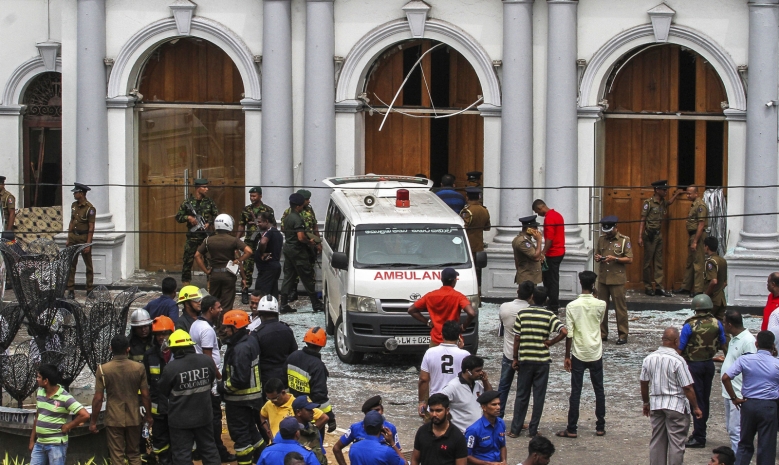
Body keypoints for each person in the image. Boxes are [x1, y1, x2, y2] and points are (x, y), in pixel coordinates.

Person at [510, 286, 567, 438]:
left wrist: (515, 357)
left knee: (522, 395)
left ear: (531, 297)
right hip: (542, 360)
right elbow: (564, 331)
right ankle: (533, 430)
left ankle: (515, 429)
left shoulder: (522, 313)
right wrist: (551, 342)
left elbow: (517, 337)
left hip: (526, 359)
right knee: (539, 396)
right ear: (546, 300)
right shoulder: (549, 315)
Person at [640, 327, 702, 465]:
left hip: (656, 404)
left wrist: (646, 403)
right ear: (676, 341)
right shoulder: (678, 361)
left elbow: (644, 383)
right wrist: (696, 407)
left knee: (657, 441)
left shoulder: (649, 359)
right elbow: (687, 387)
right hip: (676, 406)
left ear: (663, 340)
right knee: (676, 443)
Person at [89, 334, 153, 465]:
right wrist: (149, 416)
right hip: (134, 416)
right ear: (128, 349)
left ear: (110, 349)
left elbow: (98, 398)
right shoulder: (139, 368)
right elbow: (146, 395)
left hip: (113, 417)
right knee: (134, 454)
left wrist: (93, 421)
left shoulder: (102, 369)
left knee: (116, 456)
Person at [158, 329, 220, 465]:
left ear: (174, 349)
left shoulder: (171, 368)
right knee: (209, 450)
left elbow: (163, 390)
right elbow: (211, 382)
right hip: (204, 416)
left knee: (182, 455)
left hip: (180, 420)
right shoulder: (207, 361)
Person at [558, 270, 606, 439]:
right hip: (595, 350)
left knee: (576, 391)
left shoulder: (572, 306)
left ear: (580, 283)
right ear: (593, 285)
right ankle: (600, 426)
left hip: (579, 351)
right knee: (599, 389)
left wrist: (567, 355)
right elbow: (599, 322)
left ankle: (572, 428)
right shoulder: (601, 304)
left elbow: (569, 333)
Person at [722, 330, 779, 465]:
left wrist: (734, 398)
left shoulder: (745, 359)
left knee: (744, 444)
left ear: (756, 343)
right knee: (766, 446)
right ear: (772, 345)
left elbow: (725, 377)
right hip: (769, 406)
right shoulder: (777, 363)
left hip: (748, 404)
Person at [189, 295, 234, 463]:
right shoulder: (207, 330)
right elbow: (208, 359)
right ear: (210, 310)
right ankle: (216, 451)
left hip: (201, 378)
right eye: (218, 307)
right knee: (214, 418)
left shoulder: (196, 324)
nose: (221, 310)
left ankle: (202, 449)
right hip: (210, 382)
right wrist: (219, 378)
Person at [678, 294, 726, 449]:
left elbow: (680, 347)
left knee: (696, 400)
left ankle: (699, 436)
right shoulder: (717, 323)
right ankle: (701, 430)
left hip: (693, 365)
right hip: (708, 364)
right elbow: (724, 344)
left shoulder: (689, 325)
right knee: (705, 398)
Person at [219, 310, 264, 465]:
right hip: (251, 399)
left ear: (236, 328)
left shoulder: (240, 349)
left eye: (227, 327)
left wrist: (221, 387)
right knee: (252, 432)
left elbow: (239, 380)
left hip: (239, 400)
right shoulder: (249, 341)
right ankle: (263, 459)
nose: (224, 330)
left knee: (241, 436)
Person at [29, 364, 89, 465]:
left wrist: (68, 426)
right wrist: (32, 440)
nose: (36, 379)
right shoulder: (40, 393)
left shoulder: (64, 397)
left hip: (56, 444)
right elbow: (37, 417)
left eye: (39, 377)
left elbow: (85, 415)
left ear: (46, 381)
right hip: (40, 443)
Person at [195, 213, 252, 312]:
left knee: (213, 303)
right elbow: (249, 251)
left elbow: (197, 255)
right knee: (226, 304)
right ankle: (224, 326)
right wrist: (239, 262)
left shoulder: (208, 240)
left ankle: (214, 324)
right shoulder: (234, 240)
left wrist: (206, 271)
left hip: (214, 274)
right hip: (229, 275)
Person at [408, 268, 477, 347]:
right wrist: (463, 327)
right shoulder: (459, 297)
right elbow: (471, 313)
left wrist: (428, 322)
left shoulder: (430, 296)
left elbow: (411, 310)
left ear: (441, 280)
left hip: (436, 340)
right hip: (453, 340)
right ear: (454, 281)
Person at [286, 327, 336, 434]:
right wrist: (330, 417)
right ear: (322, 345)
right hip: (311, 416)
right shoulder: (317, 366)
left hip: (293, 413)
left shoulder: (292, 356)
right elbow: (320, 395)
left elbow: (283, 381)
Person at [718, 310, 755, 454]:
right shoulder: (734, 338)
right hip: (729, 391)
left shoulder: (748, 341)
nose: (722, 325)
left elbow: (751, 367)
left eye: (724, 322)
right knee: (731, 428)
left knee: (736, 430)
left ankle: (740, 459)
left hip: (739, 393)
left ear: (729, 324)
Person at [281, 193, 323, 313]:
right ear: (299, 206)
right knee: (307, 276)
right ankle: (316, 303)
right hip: (298, 251)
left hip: (288, 249)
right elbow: (300, 237)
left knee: (288, 277)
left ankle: (283, 304)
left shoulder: (288, 217)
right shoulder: (297, 218)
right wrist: (309, 241)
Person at [497, 281, 534, 418]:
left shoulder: (505, 307)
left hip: (508, 353)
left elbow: (501, 328)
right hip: (526, 354)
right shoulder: (531, 310)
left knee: (503, 386)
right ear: (531, 296)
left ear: (517, 291)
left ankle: (498, 417)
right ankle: (518, 420)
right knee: (522, 390)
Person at [638, 180, 681, 297]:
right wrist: (640, 236)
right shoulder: (649, 203)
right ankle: (647, 287)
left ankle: (658, 287)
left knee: (658, 262)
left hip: (658, 235)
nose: (666, 191)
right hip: (649, 235)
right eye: (664, 190)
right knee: (647, 263)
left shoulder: (662, 202)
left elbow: (669, 203)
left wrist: (676, 194)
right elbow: (642, 219)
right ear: (657, 190)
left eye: (666, 189)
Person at [419, 320, 470, 417]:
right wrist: (460, 349)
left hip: (436, 401)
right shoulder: (465, 354)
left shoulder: (430, 352)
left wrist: (422, 402)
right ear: (459, 336)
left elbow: (423, 379)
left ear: (442, 335)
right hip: (457, 403)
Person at [595, 215, 633, 345]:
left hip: (617, 279)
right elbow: (597, 253)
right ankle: (602, 333)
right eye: (605, 231)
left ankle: (623, 334)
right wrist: (598, 257)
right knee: (601, 308)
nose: (607, 233)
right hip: (603, 279)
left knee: (620, 308)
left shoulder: (624, 240)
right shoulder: (601, 239)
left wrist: (615, 259)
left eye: (610, 230)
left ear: (616, 228)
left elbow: (629, 259)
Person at [143, 316, 175, 465]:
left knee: (178, 442)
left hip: (177, 409)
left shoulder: (179, 353)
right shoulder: (150, 356)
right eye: (158, 334)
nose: (161, 337)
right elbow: (146, 384)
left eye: (164, 333)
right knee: (160, 443)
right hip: (159, 411)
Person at [333, 395, 401, 465]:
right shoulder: (356, 428)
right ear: (365, 413)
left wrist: (392, 443)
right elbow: (337, 448)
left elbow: (397, 452)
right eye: (371, 411)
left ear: (382, 410)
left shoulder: (390, 428)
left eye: (377, 410)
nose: (375, 413)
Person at [176, 178, 219, 285]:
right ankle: (186, 285)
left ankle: (210, 285)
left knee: (209, 261)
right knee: (187, 261)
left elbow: (216, 216)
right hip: (192, 237)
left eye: (206, 187)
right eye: (204, 187)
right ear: (197, 188)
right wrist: (188, 218)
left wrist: (209, 223)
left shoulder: (209, 202)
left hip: (205, 237)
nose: (207, 189)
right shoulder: (188, 202)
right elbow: (178, 217)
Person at [237, 186, 275, 304]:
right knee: (247, 268)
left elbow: (273, 226)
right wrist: (236, 240)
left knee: (264, 268)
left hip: (264, 243)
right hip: (250, 242)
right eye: (251, 196)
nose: (252, 198)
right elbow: (241, 225)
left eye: (254, 196)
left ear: (260, 196)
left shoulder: (268, 210)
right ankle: (245, 291)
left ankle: (261, 293)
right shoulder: (246, 210)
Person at [252, 294, 298, 391]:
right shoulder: (287, 330)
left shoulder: (257, 334)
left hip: (265, 379)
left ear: (260, 313)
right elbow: (294, 353)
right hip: (285, 377)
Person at [260, 379, 328, 438]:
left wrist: (309, 434)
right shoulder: (269, 404)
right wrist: (267, 430)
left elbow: (324, 417)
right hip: (274, 445)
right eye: (269, 398)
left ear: (283, 392)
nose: (272, 401)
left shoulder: (297, 404)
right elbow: (262, 415)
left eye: (275, 398)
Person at [412, 393, 468, 465]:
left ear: (447, 411)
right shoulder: (422, 431)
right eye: (431, 410)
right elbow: (415, 460)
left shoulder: (457, 437)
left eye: (438, 411)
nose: (434, 414)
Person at [440, 355, 491, 433]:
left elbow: (490, 397)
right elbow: (439, 402)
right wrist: (448, 417)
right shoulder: (453, 386)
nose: (481, 373)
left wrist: (485, 381)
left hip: (478, 432)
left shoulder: (476, 384)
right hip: (462, 433)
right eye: (477, 371)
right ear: (468, 371)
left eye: (481, 370)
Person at [531, 199, 565, 314]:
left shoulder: (549, 218)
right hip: (559, 251)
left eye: (537, 211)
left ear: (540, 208)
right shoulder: (557, 215)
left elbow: (549, 239)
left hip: (553, 253)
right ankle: (552, 303)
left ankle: (553, 305)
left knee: (551, 281)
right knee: (553, 279)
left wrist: (543, 253)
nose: (537, 214)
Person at [674, 186, 708, 297]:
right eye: (687, 194)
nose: (687, 196)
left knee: (698, 264)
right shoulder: (694, 205)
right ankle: (686, 287)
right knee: (690, 263)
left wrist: (695, 241)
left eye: (689, 194)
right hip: (692, 236)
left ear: (696, 193)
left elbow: (701, 225)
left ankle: (698, 289)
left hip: (697, 236)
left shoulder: (700, 206)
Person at [65, 183, 95, 299]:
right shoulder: (74, 205)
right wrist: (69, 238)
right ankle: (71, 289)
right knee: (71, 264)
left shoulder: (90, 209)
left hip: (83, 238)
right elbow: (72, 222)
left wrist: (88, 244)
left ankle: (90, 289)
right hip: (74, 237)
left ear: (81, 193)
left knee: (88, 265)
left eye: (76, 192)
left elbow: (91, 227)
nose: (74, 194)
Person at [278, 396, 328, 465]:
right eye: (309, 410)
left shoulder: (314, 430)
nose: (312, 412)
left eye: (312, 409)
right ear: (298, 412)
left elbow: (321, 453)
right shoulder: (289, 431)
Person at [464, 391, 506, 465]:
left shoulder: (501, 423)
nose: (498, 407)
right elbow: (467, 456)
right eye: (494, 405)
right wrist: (488, 464)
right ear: (484, 407)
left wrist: (504, 461)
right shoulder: (473, 430)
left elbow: (502, 446)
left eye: (499, 404)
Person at [460, 187, 491, 291]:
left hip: (468, 245)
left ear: (467, 197)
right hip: (479, 245)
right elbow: (487, 228)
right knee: (477, 270)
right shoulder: (484, 210)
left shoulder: (467, 211)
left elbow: (462, 227)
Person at [255, 211, 284, 299]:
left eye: (260, 222)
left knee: (261, 293)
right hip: (273, 267)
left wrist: (261, 253)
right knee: (272, 293)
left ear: (266, 221)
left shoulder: (269, 232)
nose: (258, 224)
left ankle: (262, 311)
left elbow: (263, 242)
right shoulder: (278, 233)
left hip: (268, 268)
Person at [512, 216, 544, 285]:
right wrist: (539, 241)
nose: (537, 230)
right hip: (528, 277)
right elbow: (536, 257)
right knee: (528, 295)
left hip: (528, 276)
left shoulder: (520, 239)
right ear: (529, 229)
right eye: (535, 227)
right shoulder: (523, 242)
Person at [703, 236, 727, 321]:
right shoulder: (722, 260)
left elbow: (713, 281)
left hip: (712, 300)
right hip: (721, 300)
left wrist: (705, 296)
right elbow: (725, 283)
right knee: (721, 326)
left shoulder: (711, 262)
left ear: (707, 247)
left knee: (706, 322)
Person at [0, 176, 16, 241]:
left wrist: (8, 230)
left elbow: (12, 214)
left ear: (3, 184)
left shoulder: (8, 197)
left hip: (4, 225)